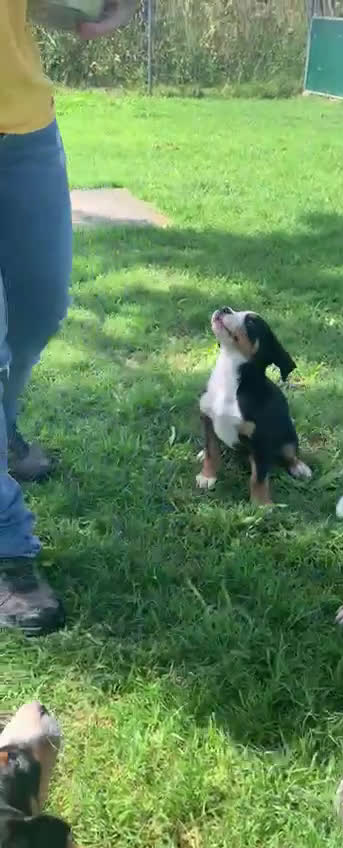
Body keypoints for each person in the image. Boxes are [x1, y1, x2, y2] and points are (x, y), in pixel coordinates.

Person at [0, 0, 137, 636]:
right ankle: (10, 552)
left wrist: (94, 13)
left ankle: (4, 434)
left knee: (42, 305)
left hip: (26, 134)